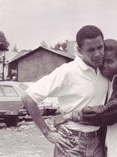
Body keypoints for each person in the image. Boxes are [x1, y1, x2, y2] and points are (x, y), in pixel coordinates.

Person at [54, 39, 117, 157]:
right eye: (102, 61)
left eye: (110, 61)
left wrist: (72, 115)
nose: (105, 66)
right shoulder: (103, 81)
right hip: (111, 142)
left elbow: (110, 113)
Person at [21, 25, 109, 157]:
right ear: (79, 50)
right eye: (91, 50)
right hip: (71, 142)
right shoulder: (68, 71)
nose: (97, 54)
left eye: (100, 47)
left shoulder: (106, 70)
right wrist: (47, 132)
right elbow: (28, 97)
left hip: (98, 141)